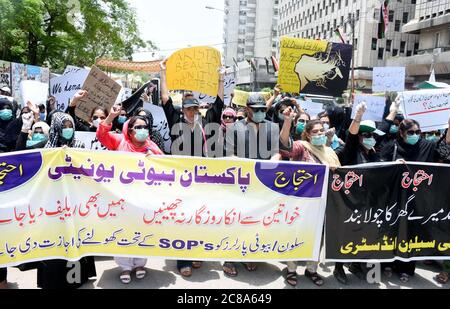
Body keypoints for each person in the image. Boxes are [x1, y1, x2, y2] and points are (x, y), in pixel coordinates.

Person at [160, 60, 225, 277]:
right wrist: (162, 73)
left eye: (194, 107)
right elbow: (165, 99)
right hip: (180, 179)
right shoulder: (175, 120)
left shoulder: (206, 123)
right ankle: (183, 259)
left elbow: (219, 102)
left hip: (202, 179)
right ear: (183, 109)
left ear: (198, 108)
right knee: (183, 218)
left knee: (200, 217)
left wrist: (221, 78)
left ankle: (198, 253)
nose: (191, 111)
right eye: (187, 108)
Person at [274, 107, 340, 287]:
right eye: (315, 132)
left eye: (321, 131)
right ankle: (291, 269)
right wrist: (287, 121)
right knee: (296, 234)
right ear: (308, 135)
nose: (319, 134)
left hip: (323, 203)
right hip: (301, 201)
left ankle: (312, 269)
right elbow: (284, 146)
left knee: (317, 237)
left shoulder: (330, 152)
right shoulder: (302, 148)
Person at [97, 105, 163, 284]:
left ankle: (140, 263)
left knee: (142, 230)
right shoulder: (120, 143)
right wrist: (111, 116)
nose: (142, 131)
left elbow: (166, 168)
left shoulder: (152, 147)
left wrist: (155, 159)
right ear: (129, 130)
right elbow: (101, 136)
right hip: (122, 198)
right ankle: (125, 266)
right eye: (138, 127)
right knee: (123, 231)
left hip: (144, 199)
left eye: (145, 127)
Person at [380, 115, 450, 283]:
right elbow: (379, 165)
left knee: (412, 234)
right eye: (411, 132)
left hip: (418, 199)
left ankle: (406, 268)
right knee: (392, 232)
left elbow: (445, 151)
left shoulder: (428, 146)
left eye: (418, 131)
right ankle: (388, 264)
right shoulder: (392, 147)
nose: (416, 134)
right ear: (402, 133)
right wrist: (394, 165)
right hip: (394, 198)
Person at [223, 93, 282, 277]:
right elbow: (228, 154)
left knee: (257, 219)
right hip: (240, 182)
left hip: (263, 182)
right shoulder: (234, 128)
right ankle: (230, 258)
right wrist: (245, 166)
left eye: (263, 110)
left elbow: (276, 152)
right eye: (256, 110)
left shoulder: (272, 127)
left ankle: (250, 253)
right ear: (247, 109)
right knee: (236, 219)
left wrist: (273, 161)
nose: (259, 113)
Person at [37, 112, 97, 289]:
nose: (68, 130)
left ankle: (78, 278)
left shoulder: (80, 147)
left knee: (75, 239)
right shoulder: (45, 149)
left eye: (71, 126)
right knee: (55, 242)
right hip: (52, 204)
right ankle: (54, 280)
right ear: (56, 127)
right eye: (64, 126)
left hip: (76, 201)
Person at [333, 103, 386, 284]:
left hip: (368, 203)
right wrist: (358, 117)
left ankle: (356, 265)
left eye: (374, 136)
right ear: (360, 136)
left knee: (364, 235)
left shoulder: (374, 154)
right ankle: (339, 268)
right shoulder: (350, 150)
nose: (372, 139)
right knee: (345, 235)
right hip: (349, 201)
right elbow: (352, 135)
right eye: (368, 135)